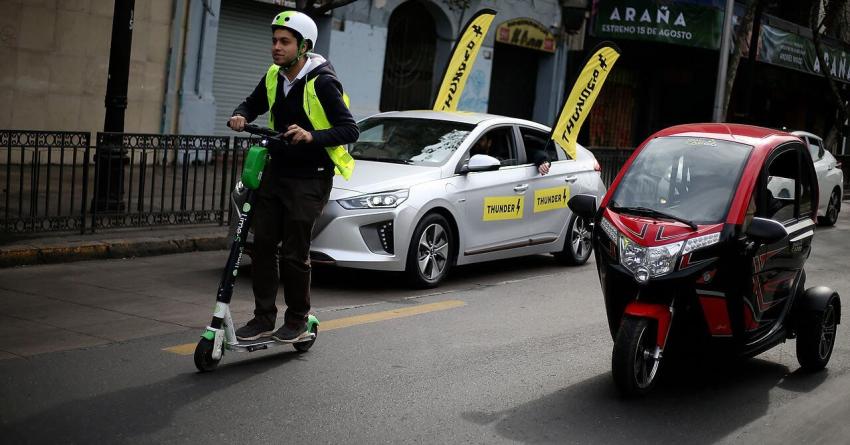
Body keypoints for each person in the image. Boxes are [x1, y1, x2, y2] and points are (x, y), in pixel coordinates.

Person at [228, 11, 359, 342]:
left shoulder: (323, 81)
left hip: (310, 178)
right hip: (276, 172)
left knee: (293, 252)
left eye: (284, 42)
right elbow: (253, 102)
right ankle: (262, 318)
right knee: (262, 247)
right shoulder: (274, 75)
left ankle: (298, 318)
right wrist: (241, 114)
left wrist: (312, 136)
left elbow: (349, 129)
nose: (276, 47)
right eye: (274, 40)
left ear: (304, 47)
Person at [470, 133, 550, 175]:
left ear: (489, 143)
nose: (476, 142)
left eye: (480, 139)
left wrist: (543, 162)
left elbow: (536, 153)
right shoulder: (466, 153)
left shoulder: (504, 155)